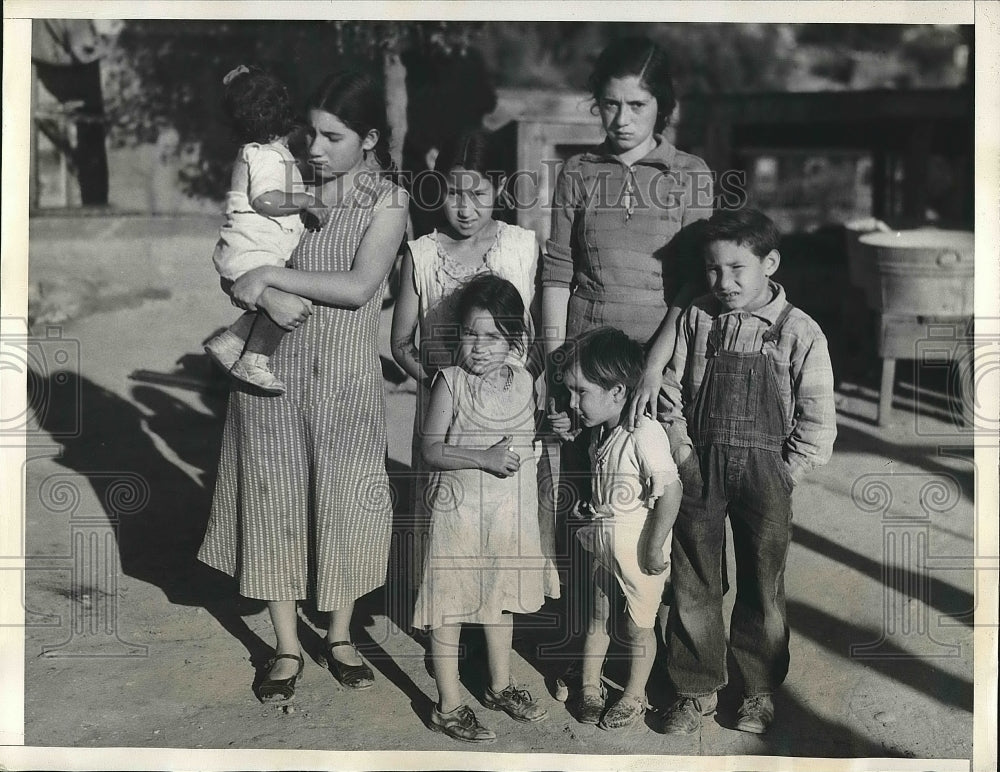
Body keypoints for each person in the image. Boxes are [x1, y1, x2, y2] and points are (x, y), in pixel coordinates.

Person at [198, 67, 409, 702]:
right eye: (310, 134)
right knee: (274, 504)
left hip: (344, 376)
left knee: (344, 503)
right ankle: (287, 646)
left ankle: (340, 636)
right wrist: (252, 281)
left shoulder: (389, 201)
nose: (314, 149)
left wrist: (272, 282)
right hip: (272, 373)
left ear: (368, 139)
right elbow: (239, 252)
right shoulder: (285, 177)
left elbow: (358, 288)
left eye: (332, 137)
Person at [540, 36, 713, 700]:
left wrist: (655, 371)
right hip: (586, 357)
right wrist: (556, 364)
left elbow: (698, 284)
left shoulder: (692, 175)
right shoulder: (578, 171)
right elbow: (559, 268)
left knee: (659, 509)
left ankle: (663, 667)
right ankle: (579, 655)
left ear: (662, 106)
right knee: (585, 513)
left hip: (660, 364)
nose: (620, 119)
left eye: (635, 104)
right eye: (608, 104)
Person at [657, 207, 836, 735]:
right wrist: (683, 452)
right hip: (700, 465)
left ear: (770, 263)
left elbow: (818, 414)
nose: (724, 282)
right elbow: (671, 390)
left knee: (764, 581)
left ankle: (757, 691)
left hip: (768, 474)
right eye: (713, 270)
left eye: (737, 269)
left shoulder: (798, 330)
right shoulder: (698, 318)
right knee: (694, 578)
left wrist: (789, 470)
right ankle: (695, 689)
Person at [390, 129, 556, 598]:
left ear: (500, 189)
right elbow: (402, 342)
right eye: (452, 192)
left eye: (477, 193)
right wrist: (445, 388)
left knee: (507, 519)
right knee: (450, 523)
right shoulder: (421, 254)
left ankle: (501, 620)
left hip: (510, 417)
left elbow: (541, 334)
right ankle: (448, 625)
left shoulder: (523, 247)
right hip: (448, 425)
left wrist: (526, 390)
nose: (464, 207)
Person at [414, 275, 556, 743]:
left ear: (515, 339)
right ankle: (448, 703)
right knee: (449, 605)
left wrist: (554, 425)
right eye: (470, 334)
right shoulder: (450, 383)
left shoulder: (525, 383)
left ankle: (499, 685)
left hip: (507, 516)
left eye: (492, 336)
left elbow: (528, 441)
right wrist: (482, 458)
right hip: (459, 513)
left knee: (501, 598)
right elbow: (432, 449)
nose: (478, 347)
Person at [559, 327, 682, 730]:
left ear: (616, 392)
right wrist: (589, 504)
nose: (573, 403)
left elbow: (672, 489)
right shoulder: (600, 433)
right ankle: (590, 686)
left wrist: (655, 545)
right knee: (598, 617)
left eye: (581, 393)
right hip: (603, 546)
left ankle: (633, 695)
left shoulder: (643, 433)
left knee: (638, 625)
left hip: (637, 551)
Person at [204, 65, 327, 395]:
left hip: (248, 253)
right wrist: (303, 200)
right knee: (290, 302)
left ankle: (231, 342)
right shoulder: (266, 155)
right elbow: (265, 200)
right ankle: (253, 360)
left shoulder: (258, 152)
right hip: (252, 254)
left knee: (279, 301)